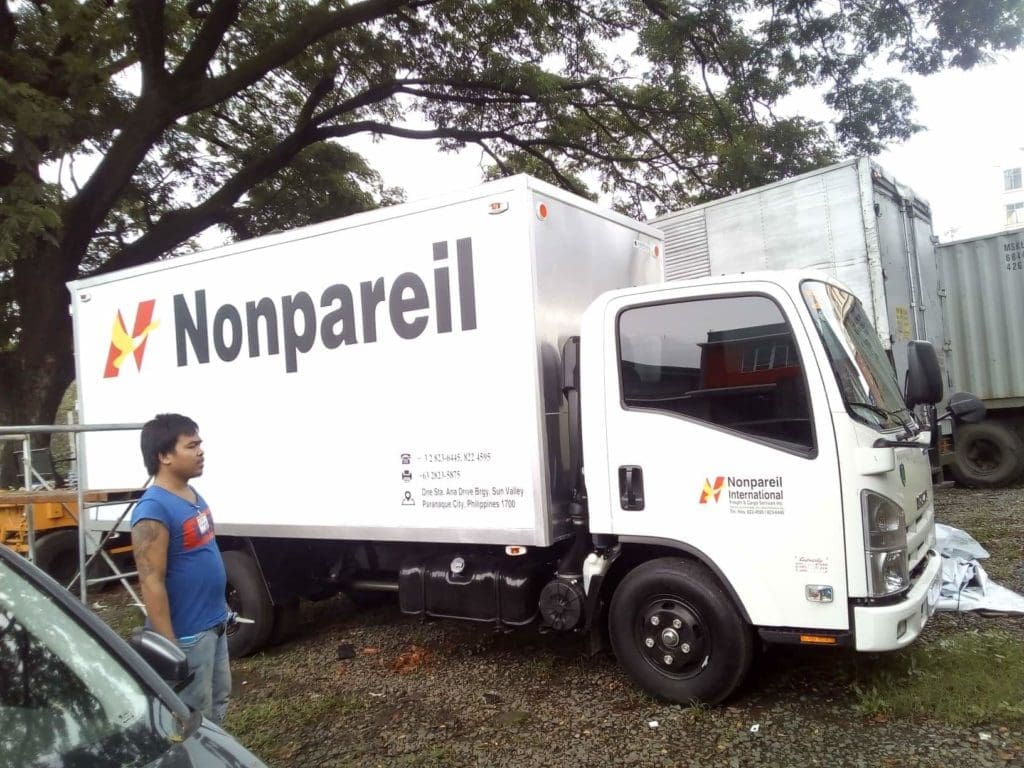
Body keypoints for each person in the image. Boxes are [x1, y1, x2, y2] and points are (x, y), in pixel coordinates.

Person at [131, 413, 231, 724]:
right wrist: (169, 646)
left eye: (200, 444)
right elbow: (151, 581)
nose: (201, 451)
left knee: (218, 706)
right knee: (190, 718)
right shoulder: (153, 509)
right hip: (188, 636)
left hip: (214, 624)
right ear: (164, 456)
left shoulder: (191, 495)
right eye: (191, 445)